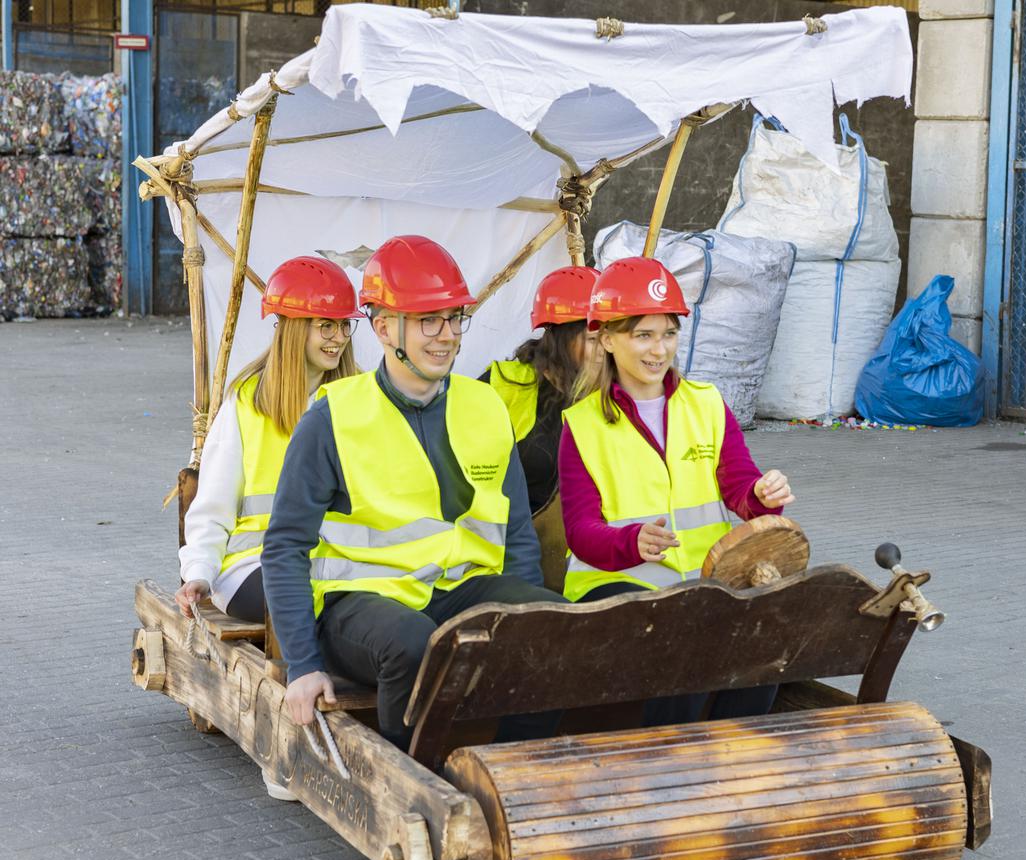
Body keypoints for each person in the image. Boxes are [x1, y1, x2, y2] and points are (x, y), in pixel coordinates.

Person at [260, 235, 566, 752]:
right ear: (383, 328)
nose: (446, 335)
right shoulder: (333, 416)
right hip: (361, 604)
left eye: (454, 318)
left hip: (460, 588)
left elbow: (515, 533)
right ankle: (415, 777)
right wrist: (302, 666)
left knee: (549, 624)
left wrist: (521, 623)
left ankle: (513, 766)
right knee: (410, 644)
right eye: (429, 320)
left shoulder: (485, 406)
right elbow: (284, 547)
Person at [558, 256, 795, 725]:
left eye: (668, 333)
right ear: (607, 339)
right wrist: (631, 542)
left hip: (705, 585)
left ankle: (734, 751)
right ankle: (672, 761)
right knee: (681, 638)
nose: (658, 349)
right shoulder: (580, 425)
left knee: (766, 643)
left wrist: (763, 497)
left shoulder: (706, 404)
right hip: (612, 587)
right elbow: (580, 531)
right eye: (642, 335)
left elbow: (739, 488)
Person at [176, 255, 361, 624]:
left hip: (334, 565)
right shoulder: (246, 401)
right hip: (253, 567)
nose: (338, 338)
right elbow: (213, 507)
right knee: (306, 602)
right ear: (292, 328)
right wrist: (199, 572)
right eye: (325, 326)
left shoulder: (360, 399)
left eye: (344, 325)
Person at [479, 266, 602, 515]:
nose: (605, 350)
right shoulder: (503, 384)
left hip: (582, 543)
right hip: (505, 540)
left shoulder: (613, 396)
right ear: (561, 338)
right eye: (592, 340)